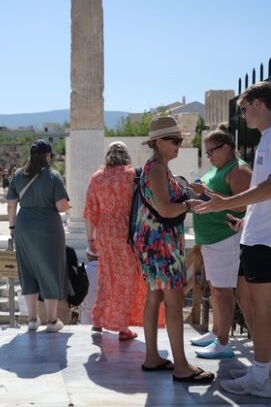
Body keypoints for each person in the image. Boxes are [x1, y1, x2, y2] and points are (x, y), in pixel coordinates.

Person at [194, 81, 271, 397]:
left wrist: (224, 203)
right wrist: (243, 219)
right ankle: (261, 370)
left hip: (268, 239)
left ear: (258, 103)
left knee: (260, 309)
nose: (242, 116)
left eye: (243, 109)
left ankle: (260, 378)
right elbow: (267, 194)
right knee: (253, 305)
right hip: (258, 234)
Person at [133, 116, 214, 384]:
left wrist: (189, 190)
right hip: (161, 243)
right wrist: (190, 204)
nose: (179, 145)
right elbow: (166, 209)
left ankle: (152, 357)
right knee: (174, 302)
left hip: (154, 241)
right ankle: (180, 365)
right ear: (158, 142)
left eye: (180, 140)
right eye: (175, 140)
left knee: (155, 299)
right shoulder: (156, 168)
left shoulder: (158, 167)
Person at [189, 124, 252, 359]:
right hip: (213, 239)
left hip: (226, 238)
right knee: (217, 289)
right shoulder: (223, 168)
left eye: (211, 151)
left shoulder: (238, 169)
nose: (209, 157)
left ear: (226, 147)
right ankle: (217, 332)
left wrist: (206, 193)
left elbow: (244, 204)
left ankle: (223, 341)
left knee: (223, 291)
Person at [83, 141, 147, 340]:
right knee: (126, 279)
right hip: (127, 233)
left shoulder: (97, 177)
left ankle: (98, 319)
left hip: (104, 232)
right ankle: (122, 327)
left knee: (106, 275)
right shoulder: (133, 175)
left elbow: (90, 211)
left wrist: (90, 238)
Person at [6, 139, 71, 333]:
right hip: (48, 226)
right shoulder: (53, 176)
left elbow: (11, 204)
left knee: (27, 271)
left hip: (23, 226)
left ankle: (32, 319)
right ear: (47, 155)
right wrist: (69, 205)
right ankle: (51, 321)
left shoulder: (18, 175)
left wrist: (12, 227)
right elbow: (61, 206)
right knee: (51, 269)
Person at [80, 248, 99, 325]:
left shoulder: (83, 271)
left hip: (86, 311)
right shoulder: (107, 271)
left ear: (88, 255)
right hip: (103, 312)